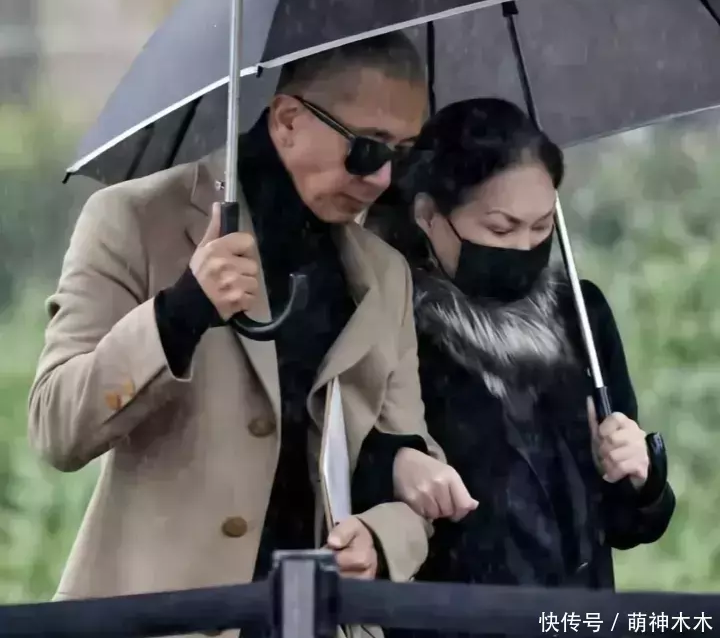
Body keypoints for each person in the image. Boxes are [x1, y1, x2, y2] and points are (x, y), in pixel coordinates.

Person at [28, 33, 476, 623]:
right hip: (161, 617)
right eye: (369, 149)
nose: (383, 179)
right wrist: (179, 314)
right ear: (287, 120)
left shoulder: (382, 274)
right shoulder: (135, 219)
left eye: (405, 154)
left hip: (315, 617)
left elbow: (414, 466)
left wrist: (379, 539)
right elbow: (57, 424)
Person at [365, 98, 675, 620]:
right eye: (501, 229)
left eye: (541, 227)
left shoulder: (580, 315)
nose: (524, 247)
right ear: (428, 216)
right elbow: (345, 469)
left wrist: (642, 477)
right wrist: (392, 465)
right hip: (451, 620)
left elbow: (628, 526)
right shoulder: (390, 324)